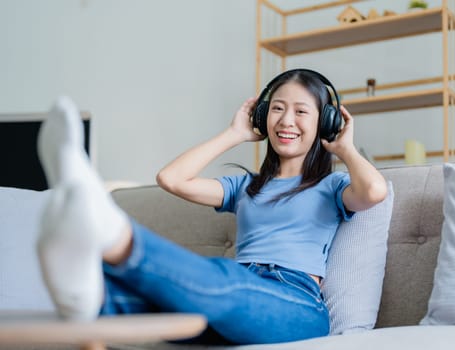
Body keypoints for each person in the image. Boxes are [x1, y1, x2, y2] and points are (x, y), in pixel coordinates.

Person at [36, 69, 387, 345]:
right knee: (150, 303)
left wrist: (344, 148)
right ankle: (88, 296)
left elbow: (373, 191)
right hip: (237, 290)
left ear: (324, 122)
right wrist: (234, 133)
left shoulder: (332, 186)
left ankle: (114, 236)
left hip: (296, 302)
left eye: (301, 112)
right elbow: (171, 179)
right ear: (263, 115)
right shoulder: (246, 186)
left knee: (227, 281)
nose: (286, 121)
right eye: (277, 108)